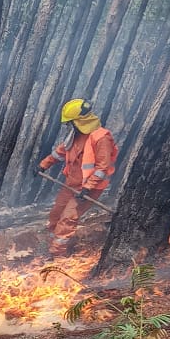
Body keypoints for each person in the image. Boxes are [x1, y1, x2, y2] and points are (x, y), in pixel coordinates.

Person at [37, 98, 118, 256]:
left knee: (68, 218)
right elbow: (60, 152)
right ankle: (53, 246)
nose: (68, 126)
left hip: (89, 188)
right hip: (71, 184)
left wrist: (88, 188)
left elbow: (102, 168)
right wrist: (43, 165)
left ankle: (57, 256)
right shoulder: (75, 135)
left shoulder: (102, 138)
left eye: (70, 122)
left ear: (80, 121)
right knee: (56, 215)